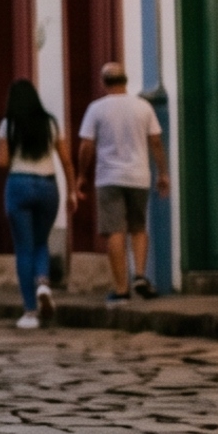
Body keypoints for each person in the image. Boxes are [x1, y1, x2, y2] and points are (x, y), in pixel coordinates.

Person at [76, 62, 169, 303]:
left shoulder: (96, 109)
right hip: (139, 176)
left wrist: (82, 175)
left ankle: (121, 289)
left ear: (103, 82)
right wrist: (163, 173)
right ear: (126, 81)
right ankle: (139, 274)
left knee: (115, 231)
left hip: (109, 178)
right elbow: (156, 142)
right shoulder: (143, 107)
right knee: (138, 227)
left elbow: (86, 146)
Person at [0, 78, 75, 328]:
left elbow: (2, 162)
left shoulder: (8, 125)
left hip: (19, 185)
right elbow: (65, 159)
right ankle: (43, 284)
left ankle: (30, 311)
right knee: (41, 242)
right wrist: (72, 190)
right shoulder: (50, 123)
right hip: (47, 186)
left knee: (24, 247)